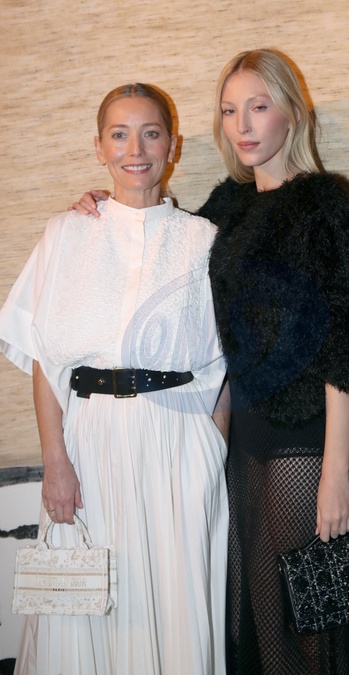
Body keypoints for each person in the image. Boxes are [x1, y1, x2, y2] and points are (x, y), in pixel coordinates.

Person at [70, 50, 349, 674]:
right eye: (228, 110)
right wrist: (104, 205)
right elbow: (162, 244)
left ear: (291, 114)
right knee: (259, 619)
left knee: (316, 622)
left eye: (258, 106)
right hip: (240, 437)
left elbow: (348, 350)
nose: (242, 125)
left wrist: (336, 473)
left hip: (304, 440)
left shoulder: (326, 205)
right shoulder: (228, 208)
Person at [0, 83, 228, 675]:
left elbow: (222, 365)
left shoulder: (204, 240)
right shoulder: (67, 232)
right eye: (119, 134)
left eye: (151, 133)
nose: (136, 149)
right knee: (89, 609)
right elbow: (47, 360)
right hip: (90, 443)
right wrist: (54, 461)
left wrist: (212, 452)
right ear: (98, 146)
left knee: (174, 607)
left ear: (172, 145)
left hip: (178, 445)